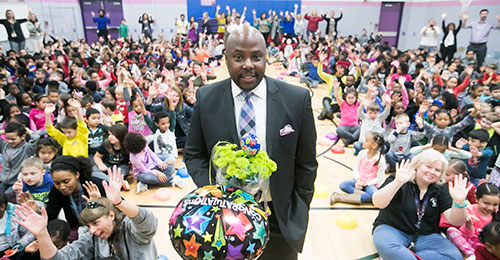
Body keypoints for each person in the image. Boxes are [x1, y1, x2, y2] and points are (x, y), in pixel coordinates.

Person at [184, 24, 317, 260]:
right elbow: (194, 154)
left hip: (277, 216)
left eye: (256, 57)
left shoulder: (296, 99)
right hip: (224, 217)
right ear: (225, 58)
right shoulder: (207, 98)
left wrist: (299, 206)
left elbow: (307, 163)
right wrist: (215, 192)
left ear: (265, 57)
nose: (248, 64)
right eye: (238, 57)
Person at [14, 166, 159, 260]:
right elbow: (58, 258)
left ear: (111, 215)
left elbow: (147, 221)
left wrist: (118, 203)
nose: (92, 230)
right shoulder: (92, 238)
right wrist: (42, 234)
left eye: (95, 223)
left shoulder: (131, 230)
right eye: (88, 226)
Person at [372, 149, 471, 260]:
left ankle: (398, 257)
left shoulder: (441, 188)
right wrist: (398, 182)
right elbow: (378, 203)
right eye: (428, 167)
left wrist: (459, 202)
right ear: (417, 165)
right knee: (389, 246)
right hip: (392, 229)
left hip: (425, 235)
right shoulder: (400, 178)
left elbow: (456, 221)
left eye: (437, 170)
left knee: (455, 256)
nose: (432, 172)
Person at [45, 156, 106, 240]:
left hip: (101, 225)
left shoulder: (95, 184)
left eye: (66, 181)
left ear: (77, 174)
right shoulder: (56, 191)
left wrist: (98, 203)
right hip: (77, 229)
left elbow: (117, 212)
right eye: (57, 183)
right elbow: (50, 218)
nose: (62, 187)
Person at [331, 132, 386, 205]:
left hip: (370, 184)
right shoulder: (362, 153)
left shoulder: (380, 159)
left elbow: (379, 178)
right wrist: (357, 180)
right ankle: (364, 195)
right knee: (343, 185)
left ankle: (340, 197)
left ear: (374, 145)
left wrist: (366, 184)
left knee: (374, 195)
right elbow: (356, 168)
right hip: (358, 181)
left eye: (366, 140)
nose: (363, 141)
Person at [447, 183, 500, 257]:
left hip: (485, 245)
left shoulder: (497, 215)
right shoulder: (469, 211)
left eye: (495, 205)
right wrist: (468, 224)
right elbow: (467, 235)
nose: (490, 208)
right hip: (469, 241)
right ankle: (472, 254)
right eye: (486, 203)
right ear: (476, 199)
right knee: (451, 231)